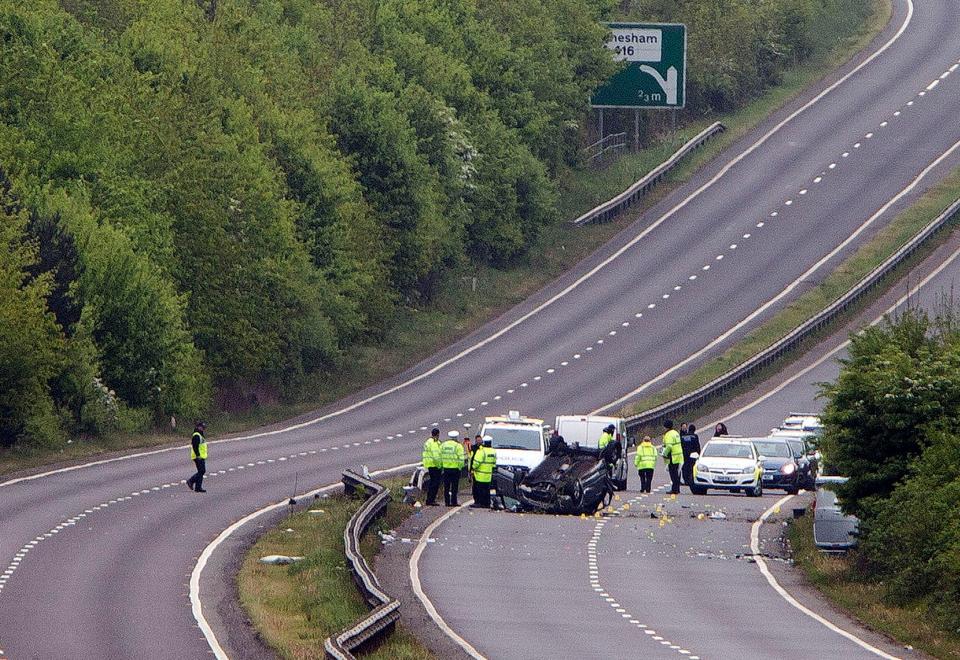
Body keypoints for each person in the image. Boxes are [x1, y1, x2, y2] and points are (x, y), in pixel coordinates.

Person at [440, 430, 465, 506]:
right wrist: (460, 468)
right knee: (454, 487)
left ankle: (447, 502)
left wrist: (441, 466)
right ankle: (454, 502)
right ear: (456, 437)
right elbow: (461, 459)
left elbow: (439, 456)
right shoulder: (458, 446)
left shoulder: (443, 445)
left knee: (446, 486)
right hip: (455, 469)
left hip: (446, 469)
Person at [471, 435, 497, 508]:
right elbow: (494, 464)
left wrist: (473, 468)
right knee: (486, 490)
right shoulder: (493, 451)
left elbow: (476, 462)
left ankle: (480, 503)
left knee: (479, 490)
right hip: (488, 475)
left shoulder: (481, 451)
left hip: (480, 475)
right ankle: (487, 503)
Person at [422, 428, 443, 505]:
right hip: (435, 466)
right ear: (437, 434)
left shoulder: (428, 442)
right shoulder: (434, 443)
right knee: (435, 483)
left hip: (429, 465)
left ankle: (429, 500)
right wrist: (439, 465)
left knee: (432, 483)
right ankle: (431, 500)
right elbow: (436, 456)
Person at [186, 421, 208, 493]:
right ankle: (191, 481)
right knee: (202, 471)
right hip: (198, 456)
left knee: (201, 471)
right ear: (198, 427)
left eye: (204, 428)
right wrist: (198, 455)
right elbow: (195, 446)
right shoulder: (196, 435)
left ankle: (198, 487)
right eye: (202, 427)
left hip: (201, 456)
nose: (203, 429)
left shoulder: (200, 434)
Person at [662, 419, 682, 494]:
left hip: (672, 456)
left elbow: (669, 446)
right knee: (677, 473)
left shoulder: (668, 435)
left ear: (666, 427)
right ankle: (677, 488)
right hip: (678, 455)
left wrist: (664, 453)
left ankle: (674, 489)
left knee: (673, 474)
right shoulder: (675, 432)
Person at [680, 423, 701, 488]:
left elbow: (681, 445)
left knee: (685, 467)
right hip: (693, 454)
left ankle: (686, 480)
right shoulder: (695, 436)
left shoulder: (683, 436)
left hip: (685, 454)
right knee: (692, 467)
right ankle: (690, 480)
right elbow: (697, 445)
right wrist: (699, 453)